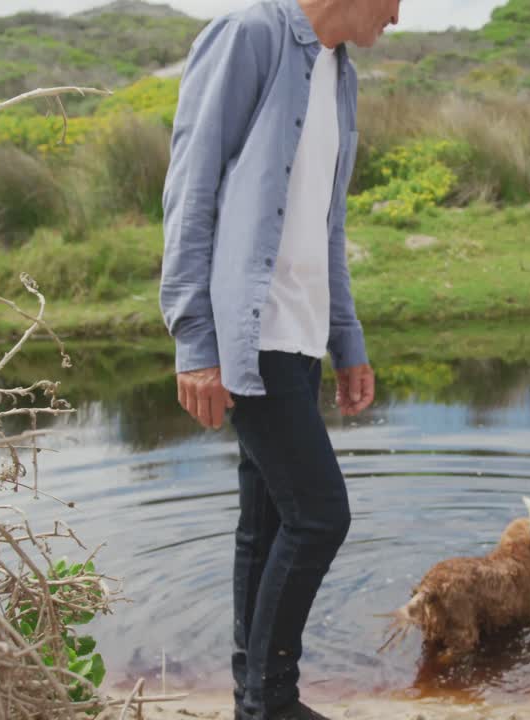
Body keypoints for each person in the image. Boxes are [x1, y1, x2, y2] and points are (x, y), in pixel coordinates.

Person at [159, 1, 400, 718]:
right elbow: (190, 188)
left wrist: (345, 339)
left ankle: (255, 704)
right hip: (246, 334)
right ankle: (271, 701)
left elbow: (327, 223)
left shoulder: (339, 73)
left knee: (266, 524)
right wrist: (195, 341)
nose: (398, 15)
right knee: (321, 516)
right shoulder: (249, 36)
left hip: (299, 334)